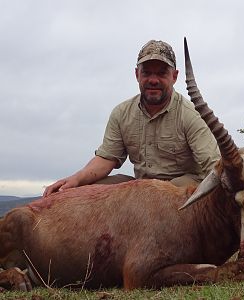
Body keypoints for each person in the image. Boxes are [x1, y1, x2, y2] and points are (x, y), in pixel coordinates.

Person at [43, 40, 220, 197]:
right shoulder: (121, 113)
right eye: (147, 73)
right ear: (137, 74)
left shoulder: (191, 114)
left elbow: (213, 167)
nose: (153, 80)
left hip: (180, 191)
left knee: (152, 194)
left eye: (161, 73)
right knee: (85, 192)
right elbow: (106, 159)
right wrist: (75, 180)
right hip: (141, 189)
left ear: (174, 76)